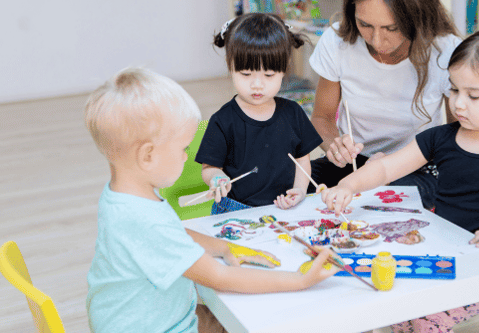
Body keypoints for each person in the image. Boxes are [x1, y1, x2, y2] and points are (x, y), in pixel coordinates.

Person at [321, 24, 479, 333]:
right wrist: (348, 184)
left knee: (421, 318)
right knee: (384, 292)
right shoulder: (441, 138)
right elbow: (387, 168)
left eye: (473, 95)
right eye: (455, 90)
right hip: (445, 244)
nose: (458, 103)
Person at [84, 67, 338, 333]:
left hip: (138, 318)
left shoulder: (123, 195)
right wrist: (299, 280)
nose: (186, 157)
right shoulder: (146, 222)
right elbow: (220, 277)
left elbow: (174, 232)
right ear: (147, 156)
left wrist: (225, 247)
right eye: (183, 148)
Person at [308, 0, 462, 208]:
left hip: (416, 168)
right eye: (365, 24)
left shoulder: (446, 51)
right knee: (283, 182)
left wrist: (392, 167)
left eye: (392, 28)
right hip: (354, 164)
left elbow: (459, 135)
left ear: (417, 17)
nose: (377, 41)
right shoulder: (336, 42)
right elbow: (322, 117)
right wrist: (335, 145)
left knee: (380, 205)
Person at [196, 13, 323, 215]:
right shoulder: (222, 120)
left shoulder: (293, 113)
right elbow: (208, 168)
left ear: (283, 70)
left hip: (283, 208)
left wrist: (299, 190)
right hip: (235, 210)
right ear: (231, 67)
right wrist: (216, 178)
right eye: (246, 74)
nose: (257, 84)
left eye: (269, 75)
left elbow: (302, 161)